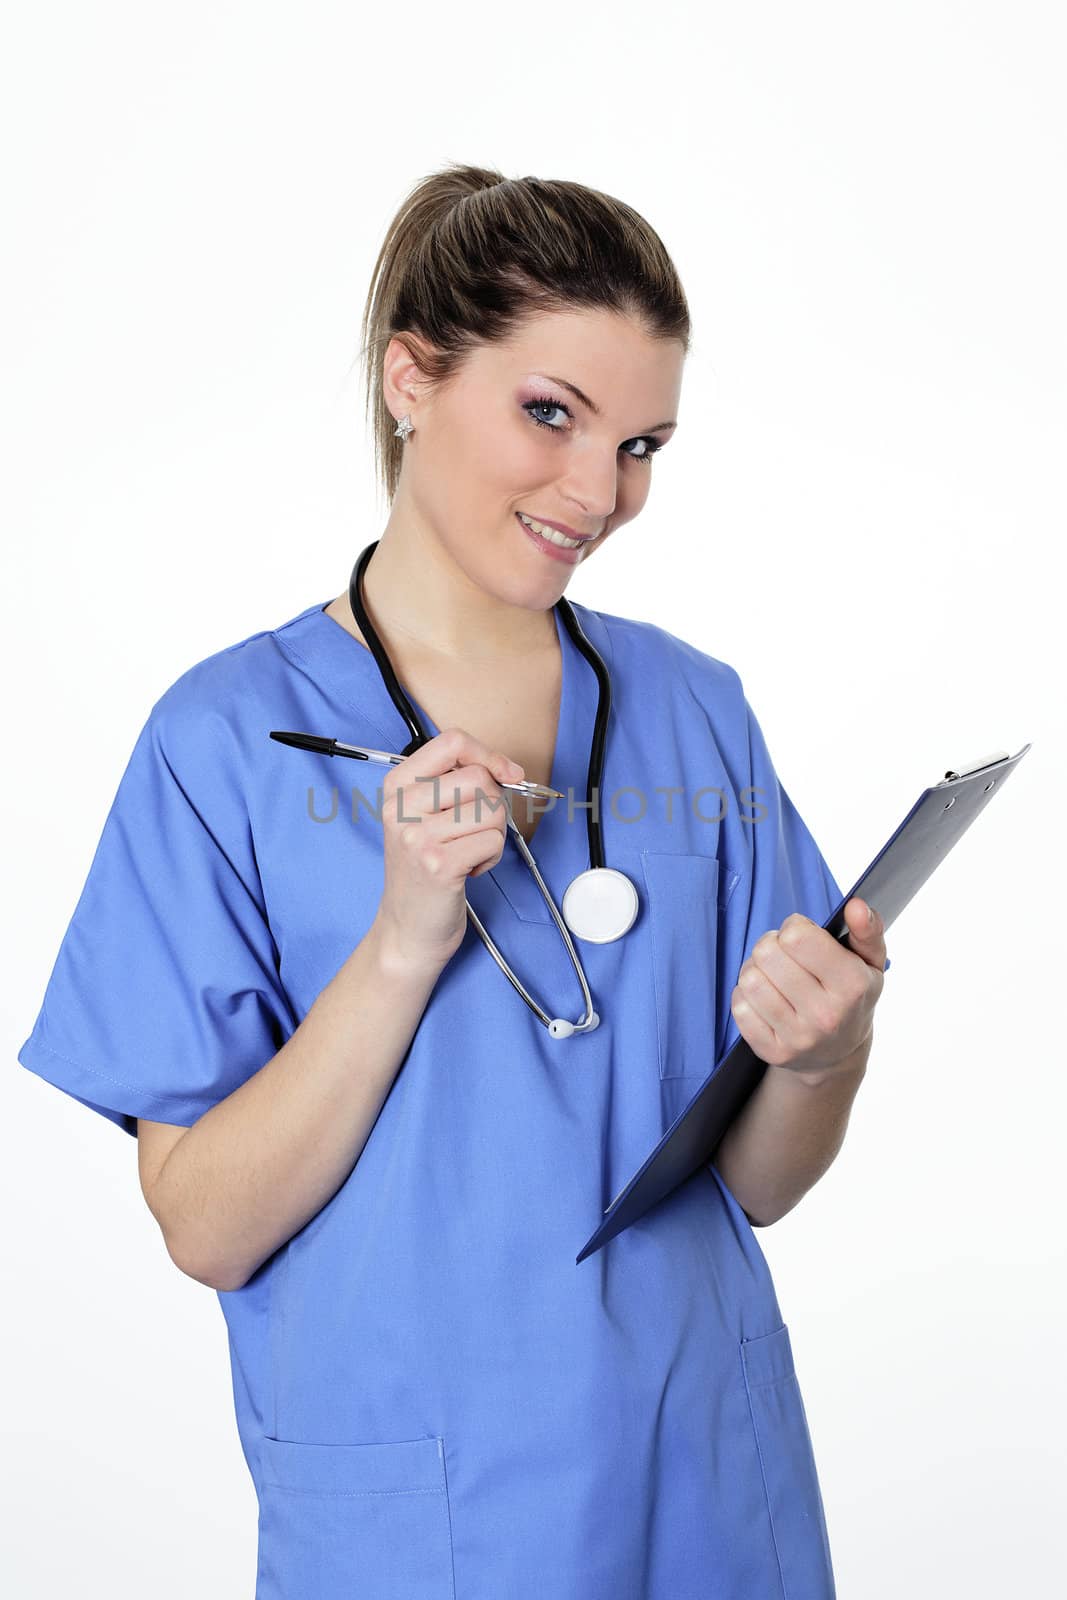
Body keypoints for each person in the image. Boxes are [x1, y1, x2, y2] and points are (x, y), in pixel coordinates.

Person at [18, 162, 889, 1599]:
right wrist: (403, 942)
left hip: (709, 1488)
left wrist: (823, 1060)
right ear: (411, 379)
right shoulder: (225, 743)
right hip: (419, 1512)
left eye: (644, 442)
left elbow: (760, 1185)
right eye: (551, 414)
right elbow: (203, 1227)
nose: (599, 492)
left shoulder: (693, 711)